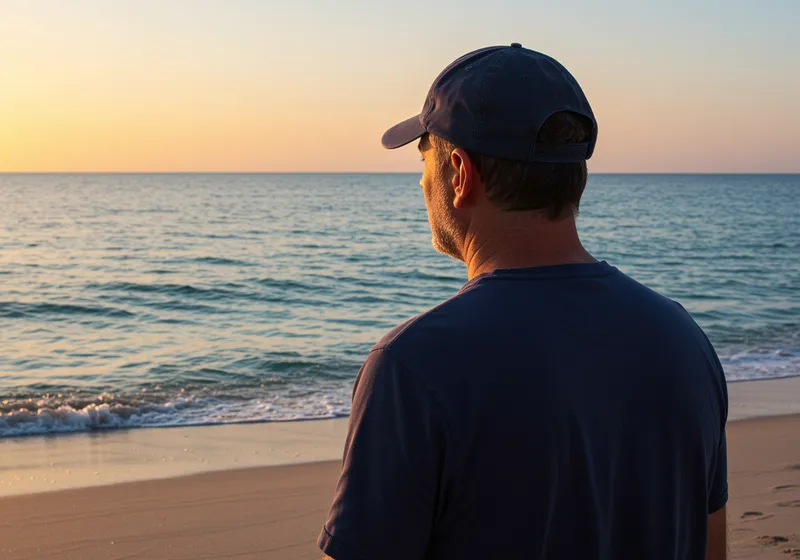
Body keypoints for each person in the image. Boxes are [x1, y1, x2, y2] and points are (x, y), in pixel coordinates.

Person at [318, 44, 728, 560]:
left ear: (460, 174)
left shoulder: (414, 367)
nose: (421, 183)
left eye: (424, 160)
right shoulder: (684, 341)